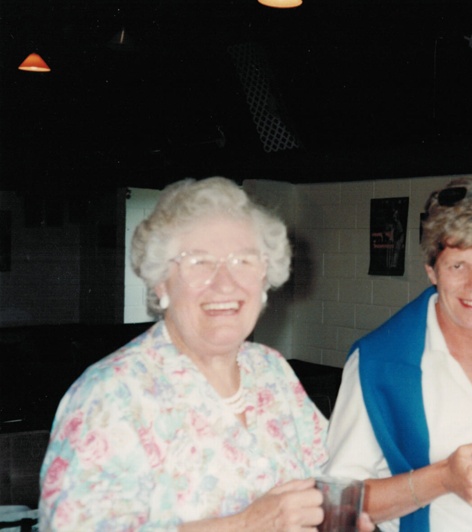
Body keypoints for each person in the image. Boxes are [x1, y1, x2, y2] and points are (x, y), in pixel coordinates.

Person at [38, 177, 372, 531]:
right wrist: (246, 525)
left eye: (243, 260)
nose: (225, 283)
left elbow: (329, 481)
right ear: (160, 282)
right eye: (199, 261)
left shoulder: (271, 371)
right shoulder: (111, 394)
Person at [325, 178, 472, 532]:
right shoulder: (379, 362)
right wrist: (442, 479)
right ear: (431, 270)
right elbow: (338, 503)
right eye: (457, 266)